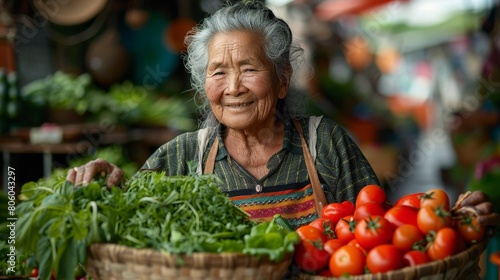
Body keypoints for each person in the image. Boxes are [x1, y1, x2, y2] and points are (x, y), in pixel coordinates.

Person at [66, 1, 499, 231]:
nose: (232, 87)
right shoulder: (180, 157)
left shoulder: (325, 142)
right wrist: (107, 179)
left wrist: (452, 220)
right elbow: (127, 217)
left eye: (249, 69)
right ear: (204, 87)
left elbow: (380, 231)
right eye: (218, 72)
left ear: (282, 80)